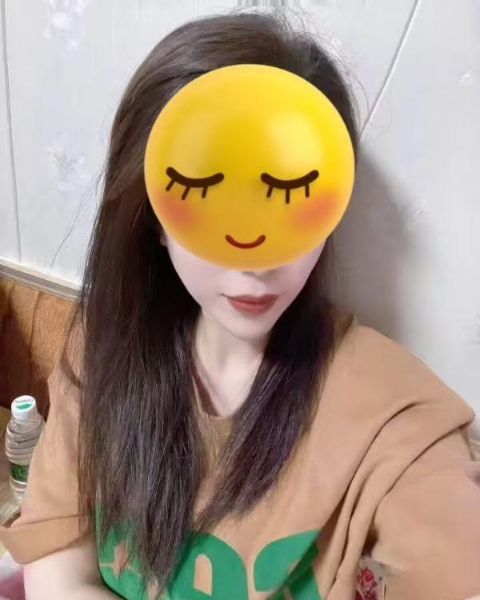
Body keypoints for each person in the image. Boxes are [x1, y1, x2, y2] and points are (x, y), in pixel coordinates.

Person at [1, 11, 479, 600]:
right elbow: (56, 569)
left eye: (289, 194)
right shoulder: (103, 350)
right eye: (204, 193)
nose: (253, 258)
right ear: (153, 215)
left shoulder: (396, 424)